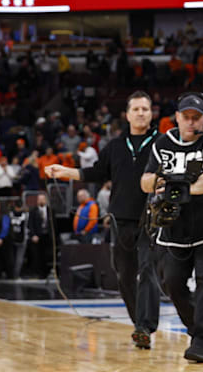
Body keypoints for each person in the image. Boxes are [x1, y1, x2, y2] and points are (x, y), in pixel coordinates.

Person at [46, 91, 162, 349]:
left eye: (146, 108)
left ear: (151, 113)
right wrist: (66, 171)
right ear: (128, 114)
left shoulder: (162, 144)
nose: (141, 113)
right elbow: (95, 172)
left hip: (152, 219)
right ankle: (139, 325)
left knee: (147, 270)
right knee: (124, 276)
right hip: (120, 220)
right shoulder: (115, 146)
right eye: (136, 109)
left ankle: (146, 326)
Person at [141, 93, 203, 363]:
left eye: (197, 118)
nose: (191, 122)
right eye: (187, 117)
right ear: (178, 117)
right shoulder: (163, 143)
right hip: (175, 226)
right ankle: (196, 329)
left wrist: (183, 191)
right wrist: (160, 182)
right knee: (172, 282)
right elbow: (145, 180)